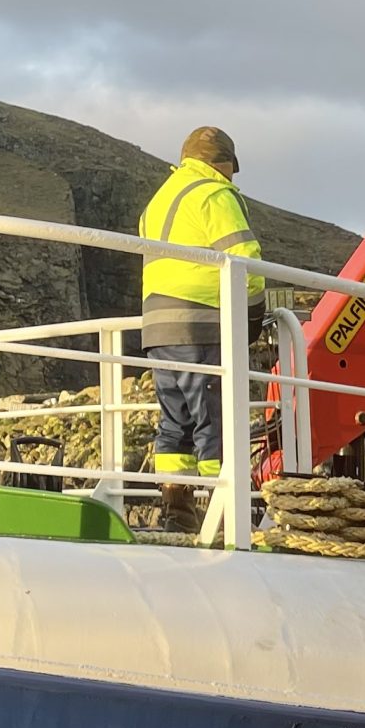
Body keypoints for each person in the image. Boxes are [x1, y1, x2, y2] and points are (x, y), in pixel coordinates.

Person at [139, 125, 263, 529]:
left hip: (158, 329)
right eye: (232, 168)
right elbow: (246, 260)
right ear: (222, 163)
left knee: (175, 423)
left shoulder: (159, 200)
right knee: (214, 420)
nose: (232, 177)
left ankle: (178, 513)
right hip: (202, 322)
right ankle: (226, 520)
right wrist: (254, 315)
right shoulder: (215, 194)